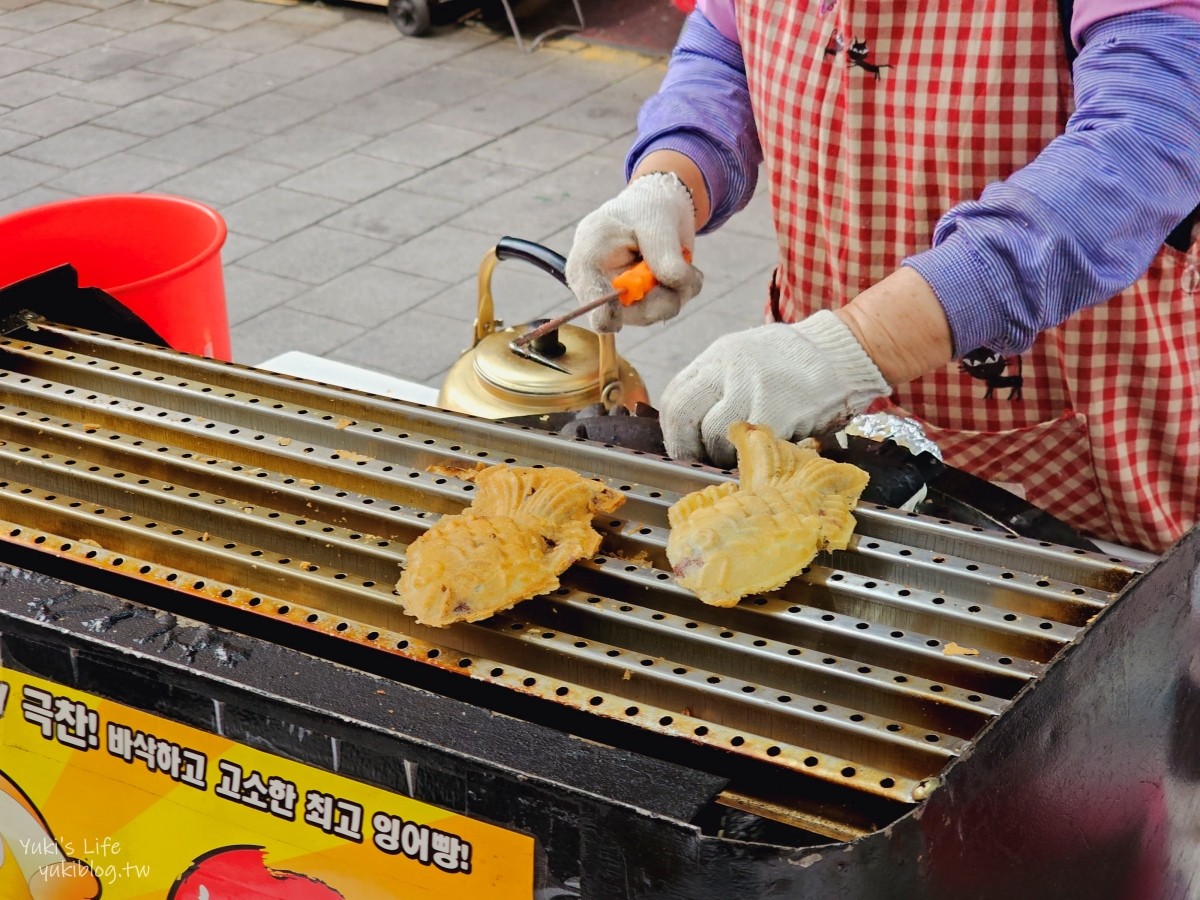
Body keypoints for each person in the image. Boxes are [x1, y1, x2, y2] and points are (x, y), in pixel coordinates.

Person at [565, 0, 1200, 555]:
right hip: (811, 383)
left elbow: (1150, 139)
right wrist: (675, 174)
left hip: (1065, 411)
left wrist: (864, 341)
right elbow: (727, 44)